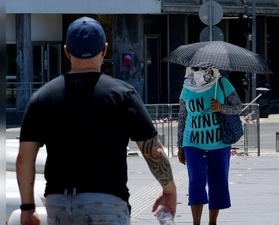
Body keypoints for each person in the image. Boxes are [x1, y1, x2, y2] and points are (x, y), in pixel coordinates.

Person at [16, 16, 177, 225]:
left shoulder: (42, 97)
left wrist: (27, 208)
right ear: (105, 49)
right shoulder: (123, 95)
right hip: (107, 203)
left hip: (59, 204)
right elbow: (153, 151)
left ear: (66, 51)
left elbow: (24, 158)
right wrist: (169, 190)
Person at [177, 67, 242, 225]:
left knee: (218, 181)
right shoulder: (187, 87)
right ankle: (196, 223)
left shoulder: (222, 83)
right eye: (195, 67)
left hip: (219, 142)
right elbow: (182, 118)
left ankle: (212, 222)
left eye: (204, 67)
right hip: (192, 142)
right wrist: (180, 145)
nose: (200, 70)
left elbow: (239, 107)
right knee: (196, 180)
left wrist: (221, 108)